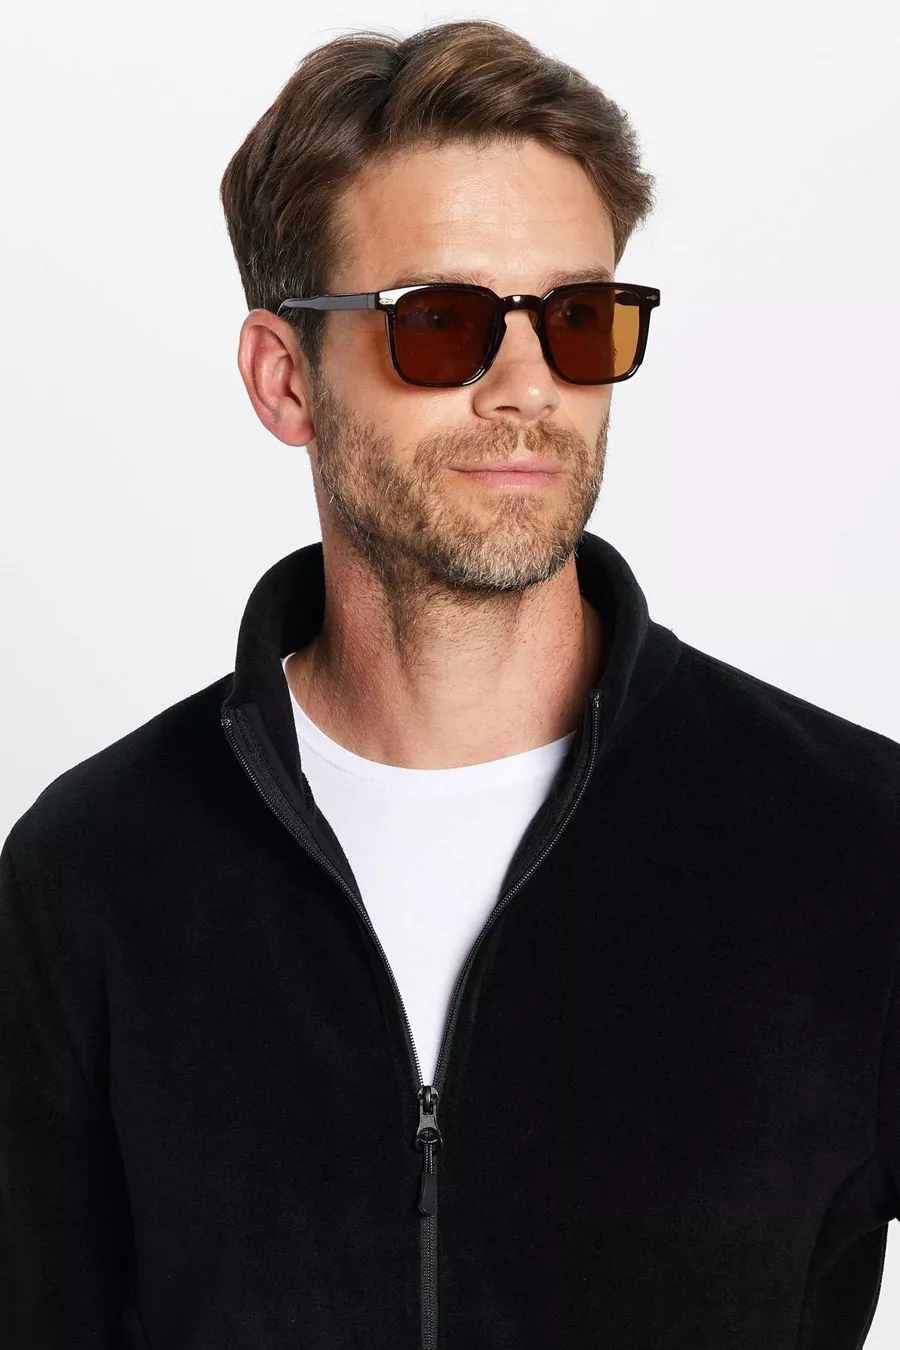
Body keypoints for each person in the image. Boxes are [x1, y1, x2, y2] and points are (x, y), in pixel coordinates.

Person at [2, 17, 899, 1350]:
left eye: (579, 320)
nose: (527, 386)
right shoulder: (94, 874)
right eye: (441, 324)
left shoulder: (855, 842)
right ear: (284, 379)